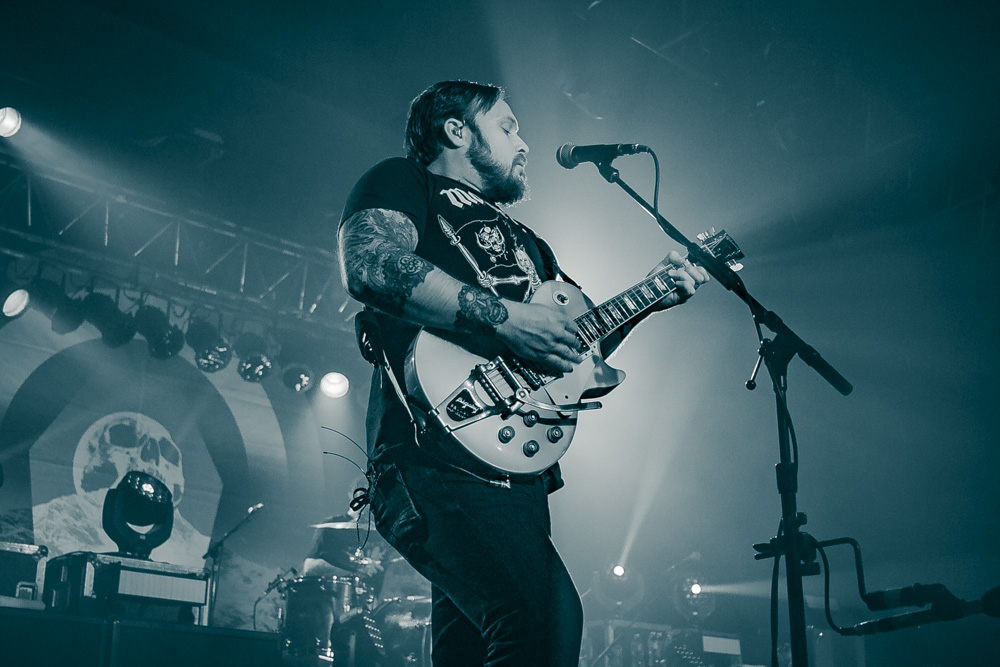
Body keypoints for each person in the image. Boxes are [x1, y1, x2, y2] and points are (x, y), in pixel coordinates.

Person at [337, 80, 709, 666]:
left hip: (514, 463)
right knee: (542, 618)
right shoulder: (405, 181)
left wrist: (651, 296)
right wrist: (509, 319)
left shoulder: (533, 245)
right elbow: (370, 264)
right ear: (456, 130)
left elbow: (571, 345)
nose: (524, 143)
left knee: (474, 649)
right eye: (508, 127)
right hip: (435, 451)